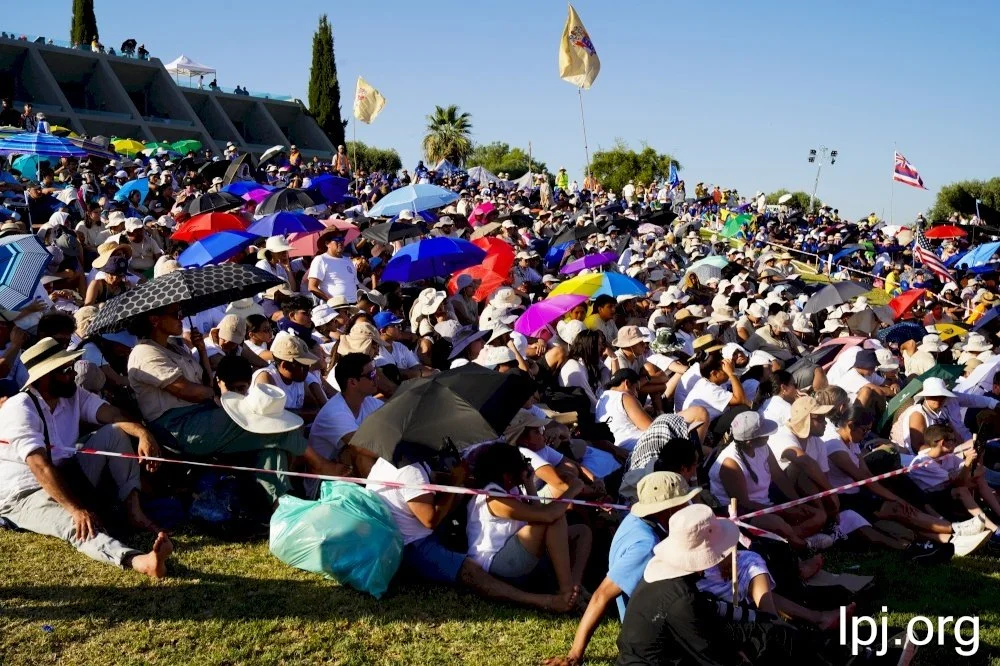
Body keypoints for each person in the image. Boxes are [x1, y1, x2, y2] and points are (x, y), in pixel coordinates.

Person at [126, 305, 339, 505]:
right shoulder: (145, 353)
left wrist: (201, 351)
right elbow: (188, 391)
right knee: (267, 422)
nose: (180, 317)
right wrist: (215, 396)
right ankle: (318, 464)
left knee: (270, 443)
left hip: (201, 416)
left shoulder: (176, 348)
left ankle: (279, 502)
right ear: (155, 320)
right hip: (179, 427)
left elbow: (205, 385)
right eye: (175, 314)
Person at [0, 338, 172, 578]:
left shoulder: (73, 394)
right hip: (24, 490)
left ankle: (134, 511)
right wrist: (75, 508)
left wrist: (143, 433)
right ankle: (138, 560)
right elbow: (39, 466)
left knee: (114, 433)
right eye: (65, 370)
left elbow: (112, 415)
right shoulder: (20, 407)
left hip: (65, 472)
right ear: (44, 378)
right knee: (77, 524)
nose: (73, 373)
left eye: (72, 366)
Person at [616, 504, 822, 666]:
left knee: (773, 632)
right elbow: (711, 656)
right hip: (666, 659)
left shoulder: (672, 578)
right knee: (772, 640)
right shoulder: (680, 599)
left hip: (670, 650)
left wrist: (765, 620)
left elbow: (711, 610)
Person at [552, 471, 699, 665]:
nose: (688, 507)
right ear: (667, 509)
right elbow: (601, 595)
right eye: (683, 502)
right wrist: (575, 655)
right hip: (650, 627)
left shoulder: (634, 519)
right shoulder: (645, 545)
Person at [466, 442, 592, 600]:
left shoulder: (509, 489)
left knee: (581, 532)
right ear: (507, 475)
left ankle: (575, 587)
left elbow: (540, 512)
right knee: (555, 518)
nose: (525, 466)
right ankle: (566, 592)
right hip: (496, 564)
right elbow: (548, 516)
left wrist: (529, 484)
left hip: (513, 551)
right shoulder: (493, 498)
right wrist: (572, 490)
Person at [307, 353, 382, 497]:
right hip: (323, 486)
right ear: (353, 382)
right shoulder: (335, 412)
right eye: (371, 374)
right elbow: (361, 446)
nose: (376, 377)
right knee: (361, 453)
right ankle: (382, 501)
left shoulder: (367, 402)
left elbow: (395, 418)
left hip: (346, 476)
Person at [252, 334, 327, 418]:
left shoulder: (299, 378)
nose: (307, 368)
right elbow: (273, 415)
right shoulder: (266, 377)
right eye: (303, 365)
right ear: (285, 365)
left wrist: (292, 414)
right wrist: (303, 414)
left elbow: (315, 407)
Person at [595, 368, 651, 452]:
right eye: (636, 388)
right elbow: (650, 427)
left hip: (614, 445)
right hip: (634, 445)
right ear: (627, 383)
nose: (636, 394)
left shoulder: (602, 399)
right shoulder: (624, 397)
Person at [307, 229, 359, 303]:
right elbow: (312, 287)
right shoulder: (321, 259)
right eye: (337, 239)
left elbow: (355, 284)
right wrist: (331, 301)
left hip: (353, 304)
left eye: (342, 239)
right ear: (327, 243)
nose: (341, 242)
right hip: (334, 308)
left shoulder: (348, 261)